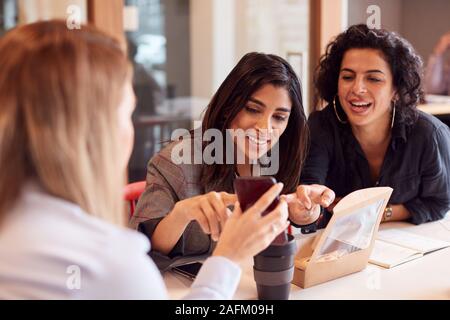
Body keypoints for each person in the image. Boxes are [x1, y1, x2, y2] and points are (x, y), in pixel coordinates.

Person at [0, 20, 292, 299]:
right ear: (92, 131)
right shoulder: (110, 263)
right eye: (127, 113)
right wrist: (227, 258)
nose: (265, 128)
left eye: (279, 117)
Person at [131, 52, 335, 269]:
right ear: (229, 106)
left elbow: (287, 219)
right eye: (253, 109)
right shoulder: (176, 162)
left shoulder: (279, 154)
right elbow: (137, 251)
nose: (264, 128)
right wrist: (181, 214)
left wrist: (305, 213)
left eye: (279, 117)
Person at [301, 24, 450, 228]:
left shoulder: (429, 134)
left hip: (406, 246)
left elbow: (439, 202)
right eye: (348, 77)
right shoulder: (320, 126)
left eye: (373, 78)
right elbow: (310, 193)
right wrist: (308, 207)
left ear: (396, 89)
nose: (357, 88)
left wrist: (374, 212)